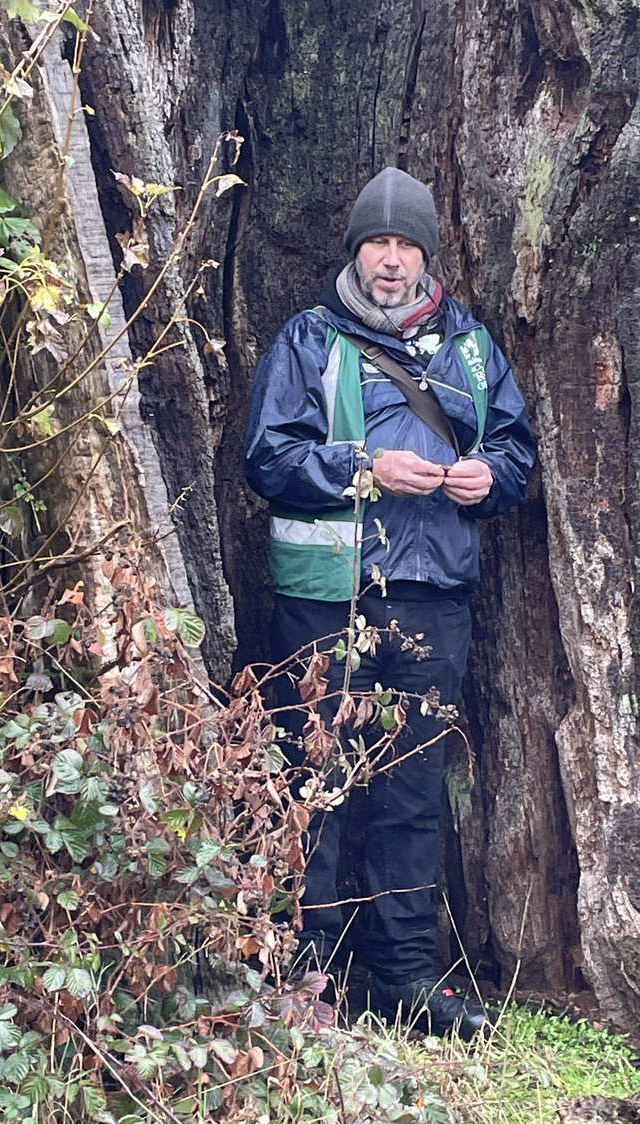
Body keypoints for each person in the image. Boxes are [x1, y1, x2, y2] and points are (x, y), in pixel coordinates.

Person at [244, 166, 535, 1038]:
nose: (392, 259)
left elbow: (516, 450)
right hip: (327, 597)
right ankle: (310, 983)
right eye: (378, 242)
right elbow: (266, 456)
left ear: (427, 255)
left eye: (407, 244)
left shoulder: (473, 350)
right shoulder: (306, 340)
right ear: (356, 251)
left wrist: (492, 478)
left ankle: (404, 981)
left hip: (431, 599)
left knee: (412, 791)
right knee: (316, 783)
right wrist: (362, 467)